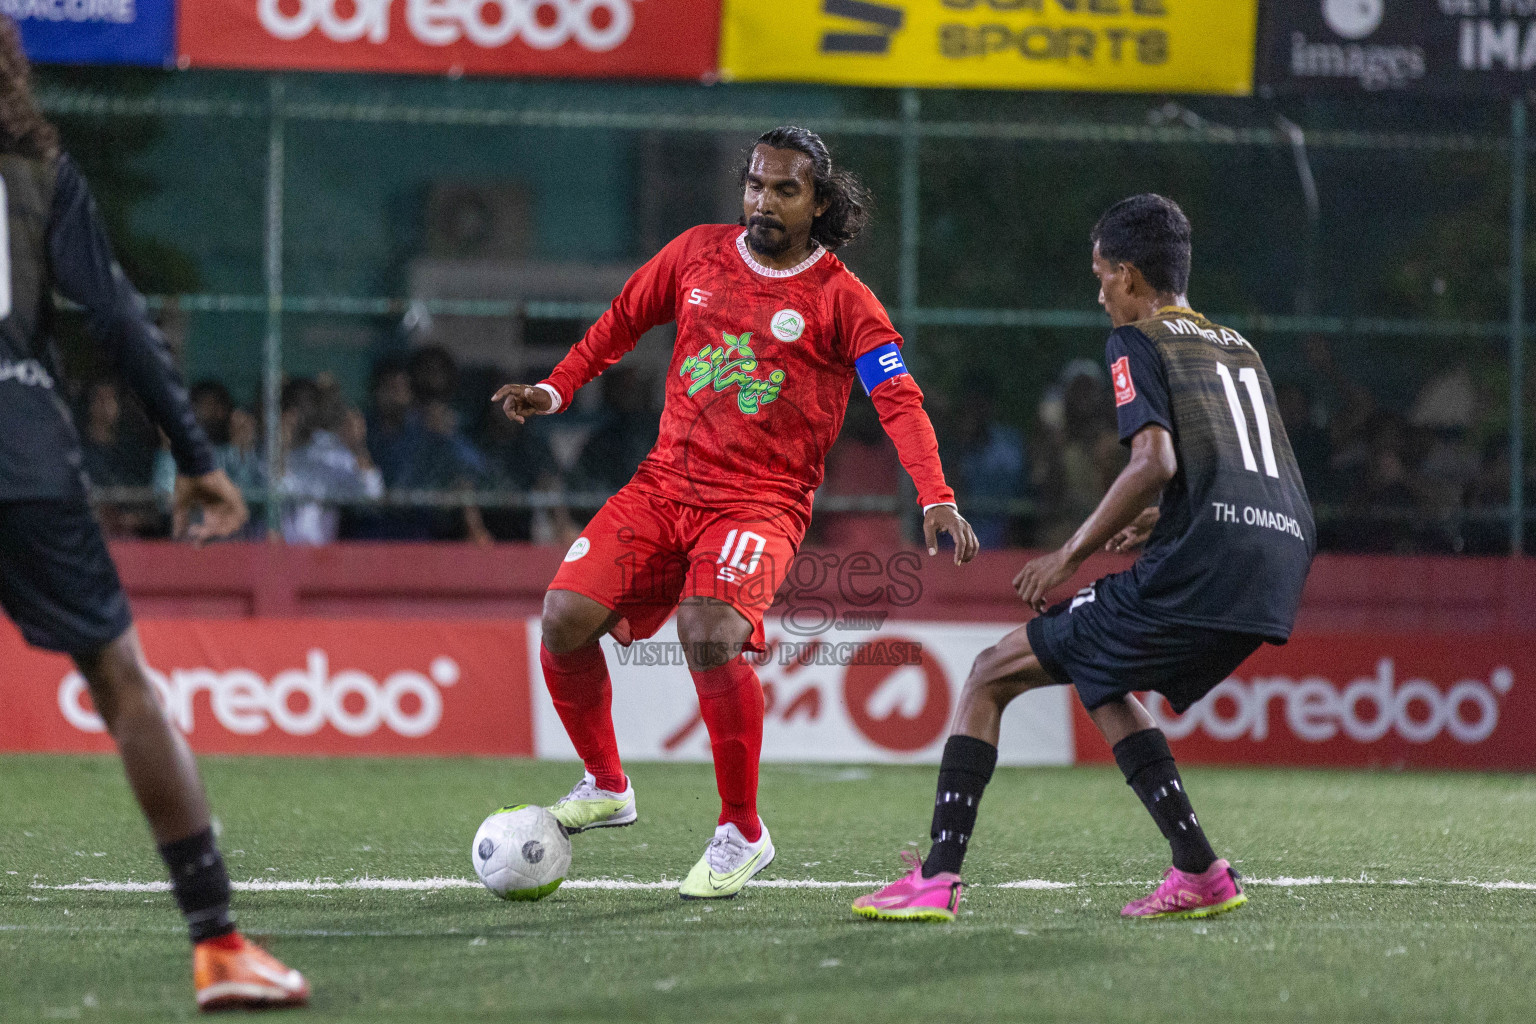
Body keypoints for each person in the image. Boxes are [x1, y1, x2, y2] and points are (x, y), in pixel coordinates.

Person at [493, 126, 979, 899]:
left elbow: (900, 401)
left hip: (761, 502)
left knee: (709, 629)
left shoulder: (843, 299)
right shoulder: (695, 254)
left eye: (785, 189)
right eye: (755, 183)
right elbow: (621, 320)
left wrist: (936, 494)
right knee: (562, 618)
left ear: (818, 202)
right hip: (663, 485)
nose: (763, 200)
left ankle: (741, 831)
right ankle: (606, 784)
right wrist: (556, 388)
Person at [854, 194, 1315, 923]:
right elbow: (1243, 466)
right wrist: (1174, 519)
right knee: (1099, 673)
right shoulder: (1237, 347)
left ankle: (936, 878)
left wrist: (1070, 554)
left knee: (989, 672)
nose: (1100, 293)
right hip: (1277, 559)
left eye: (1102, 276)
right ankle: (1199, 869)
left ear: (1130, 276)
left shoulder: (1138, 341)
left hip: (1203, 570)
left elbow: (1154, 459)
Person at [0, 18, 306, 1008]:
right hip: (21, 449)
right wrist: (197, 457)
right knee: (121, 680)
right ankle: (218, 944)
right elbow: (122, 323)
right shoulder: (36, 174)